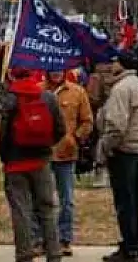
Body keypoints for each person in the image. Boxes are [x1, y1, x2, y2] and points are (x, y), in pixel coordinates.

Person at [0, 68, 66, 262]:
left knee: (21, 211)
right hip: (41, 160)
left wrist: (3, 154)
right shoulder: (47, 97)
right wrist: (46, 146)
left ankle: (24, 254)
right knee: (47, 209)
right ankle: (54, 252)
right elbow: (60, 129)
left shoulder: (7, 99)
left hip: (15, 163)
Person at [97, 53, 138, 262]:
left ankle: (130, 248)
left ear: (121, 65)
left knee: (124, 201)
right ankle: (137, 244)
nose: (112, 65)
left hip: (124, 150)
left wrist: (104, 147)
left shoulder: (121, 89)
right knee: (136, 199)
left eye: (114, 61)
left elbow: (117, 125)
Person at [39, 67, 92, 256]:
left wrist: (75, 139)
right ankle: (40, 239)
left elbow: (87, 121)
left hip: (66, 155)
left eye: (59, 69)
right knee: (42, 199)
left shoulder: (77, 92)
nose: (56, 72)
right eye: (52, 69)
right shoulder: (38, 91)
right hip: (42, 153)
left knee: (66, 200)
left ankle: (64, 239)